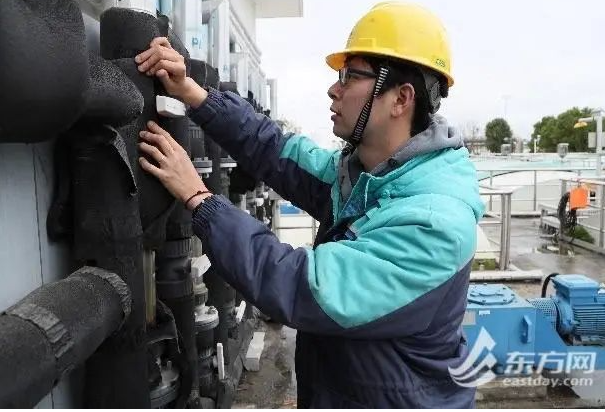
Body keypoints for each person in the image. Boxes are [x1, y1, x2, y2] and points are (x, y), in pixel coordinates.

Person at [135, 2, 484, 408]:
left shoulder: (433, 221)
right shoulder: (369, 175)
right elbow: (277, 151)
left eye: (351, 76)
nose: (334, 89)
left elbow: (304, 287)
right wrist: (194, 94)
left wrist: (201, 199)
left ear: (400, 98)